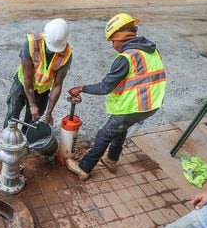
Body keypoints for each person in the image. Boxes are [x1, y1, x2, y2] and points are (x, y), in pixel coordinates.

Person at [66, 13, 166, 180]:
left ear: (121, 37)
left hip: (134, 106)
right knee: (120, 129)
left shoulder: (126, 58)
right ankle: (112, 160)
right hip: (152, 104)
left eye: (113, 41)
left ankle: (84, 169)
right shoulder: (151, 51)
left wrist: (81, 88)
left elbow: (105, 87)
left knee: (104, 135)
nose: (112, 45)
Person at [3, 18, 73, 133]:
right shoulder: (31, 43)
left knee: (33, 121)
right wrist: (32, 105)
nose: (54, 51)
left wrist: (49, 112)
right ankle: (7, 140)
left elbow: (57, 85)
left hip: (42, 90)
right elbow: (28, 78)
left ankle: (26, 141)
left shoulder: (67, 54)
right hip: (23, 83)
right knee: (12, 114)